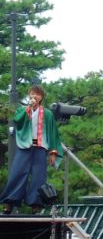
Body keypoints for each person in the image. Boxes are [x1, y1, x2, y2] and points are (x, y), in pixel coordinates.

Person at [2, 85, 63, 215]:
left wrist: (53, 152)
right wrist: (28, 109)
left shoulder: (47, 113)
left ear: (41, 97)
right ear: (29, 95)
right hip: (25, 146)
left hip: (40, 148)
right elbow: (17, 121)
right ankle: (10, 202)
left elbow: (53, 134)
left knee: (39, 177)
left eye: (38, 94)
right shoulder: (22, 110)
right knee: (17, 174)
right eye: (32, 93)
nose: (35, 96)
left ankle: (36, 204)